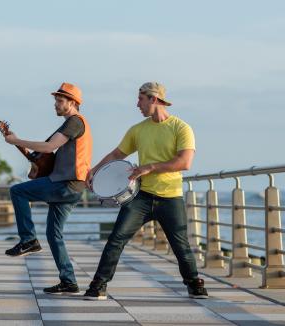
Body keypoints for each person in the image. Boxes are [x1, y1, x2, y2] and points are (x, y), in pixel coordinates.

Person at [83, 82, 208, 300]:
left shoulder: (181, 128)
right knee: (116, 239)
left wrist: (149, 167)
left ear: (154, 99)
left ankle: (194, 283)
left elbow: (184, 162)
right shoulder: (138, 130)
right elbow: (116, 154)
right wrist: (94, 170)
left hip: (170, 197)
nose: (137, 104)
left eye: (141, 99)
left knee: (180, 244)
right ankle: (98, 285)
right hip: (140, 197)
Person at [2, 82, 93, 295]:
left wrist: (16, 139)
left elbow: (49, 147)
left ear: (72, 103)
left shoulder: (74, 122)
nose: (55, 104)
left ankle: (28, 240)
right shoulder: (71, 124)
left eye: (60, 101)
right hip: (72, 186)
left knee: (17, 191)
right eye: (55, 100)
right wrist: (20, 145)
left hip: (66, 184)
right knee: (54, 235)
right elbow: (44, 155)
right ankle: (68, 281)